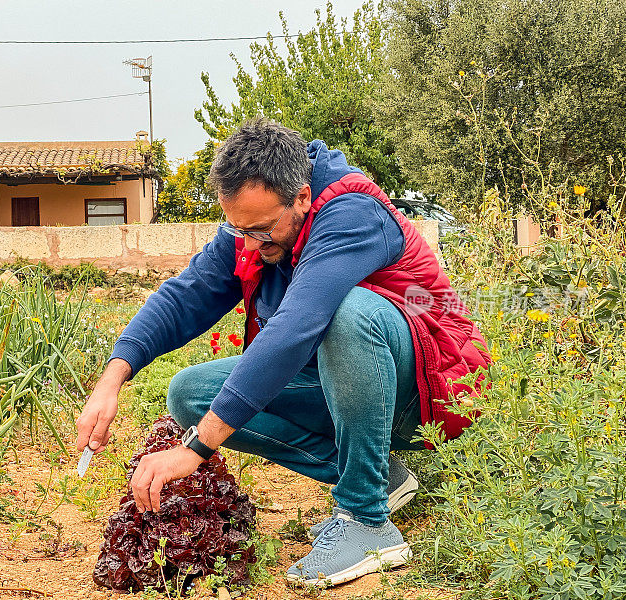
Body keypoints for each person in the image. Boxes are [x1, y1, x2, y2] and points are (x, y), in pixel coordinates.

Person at [76, 118, 490, 587]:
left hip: (431, 390)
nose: (250, 242)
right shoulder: (252, 228)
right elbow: (185, 296)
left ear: (300, 197)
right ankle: (376, 475)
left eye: (261, 229)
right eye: (240, 230)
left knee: (346, 310)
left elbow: (295, 327)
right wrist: (111, 380)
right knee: (191, 393)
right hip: (347, 383)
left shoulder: (352, 214)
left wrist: (195, 448)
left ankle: (367, 520)